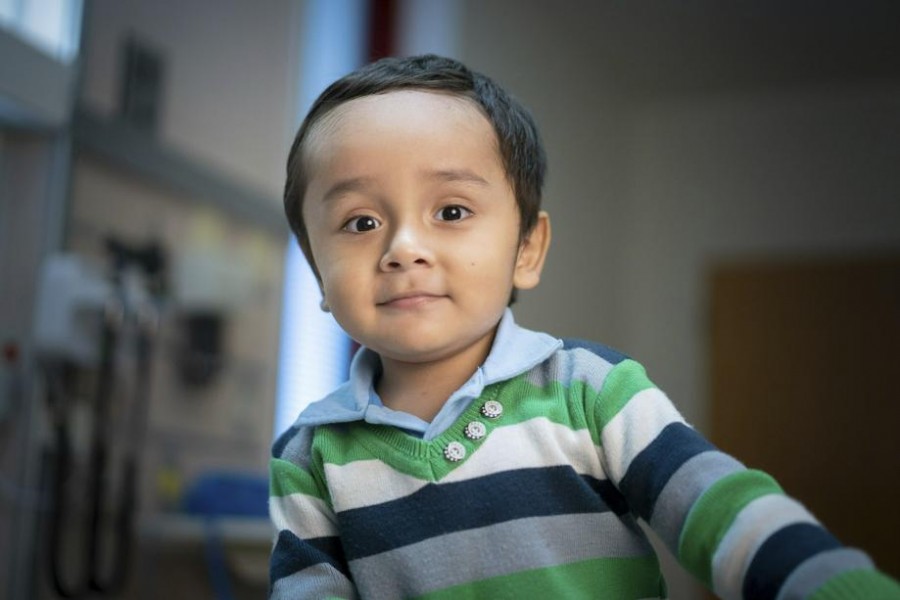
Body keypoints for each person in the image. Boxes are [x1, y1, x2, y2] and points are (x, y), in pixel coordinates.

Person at [268, 54, 900, 599]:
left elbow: (721, 510)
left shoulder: (589, 391)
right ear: (320, 276)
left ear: (527, 250)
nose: (404, 247)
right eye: (360, 223)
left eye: (451, 210)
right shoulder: (311, 455)